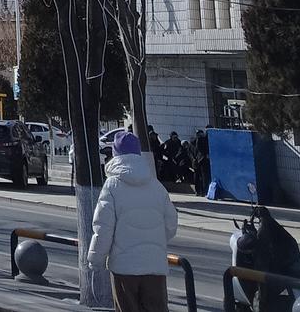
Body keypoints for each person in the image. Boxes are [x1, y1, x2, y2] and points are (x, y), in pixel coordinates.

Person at [87, 129, 179, 312]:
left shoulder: (112, 186)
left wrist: (95, 260)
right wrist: (153, 243)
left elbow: (103, 229)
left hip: (124, 269)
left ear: (115, 155)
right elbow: (171, 225)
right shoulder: (156, 186)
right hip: (155, 267)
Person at [192, 130, 210, 197]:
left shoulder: (201, 139)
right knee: (201, 176)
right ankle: (202, 191)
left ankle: (202, 191)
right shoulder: (199, 140)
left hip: (199, 160)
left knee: (202, 176)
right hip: (200, 160)